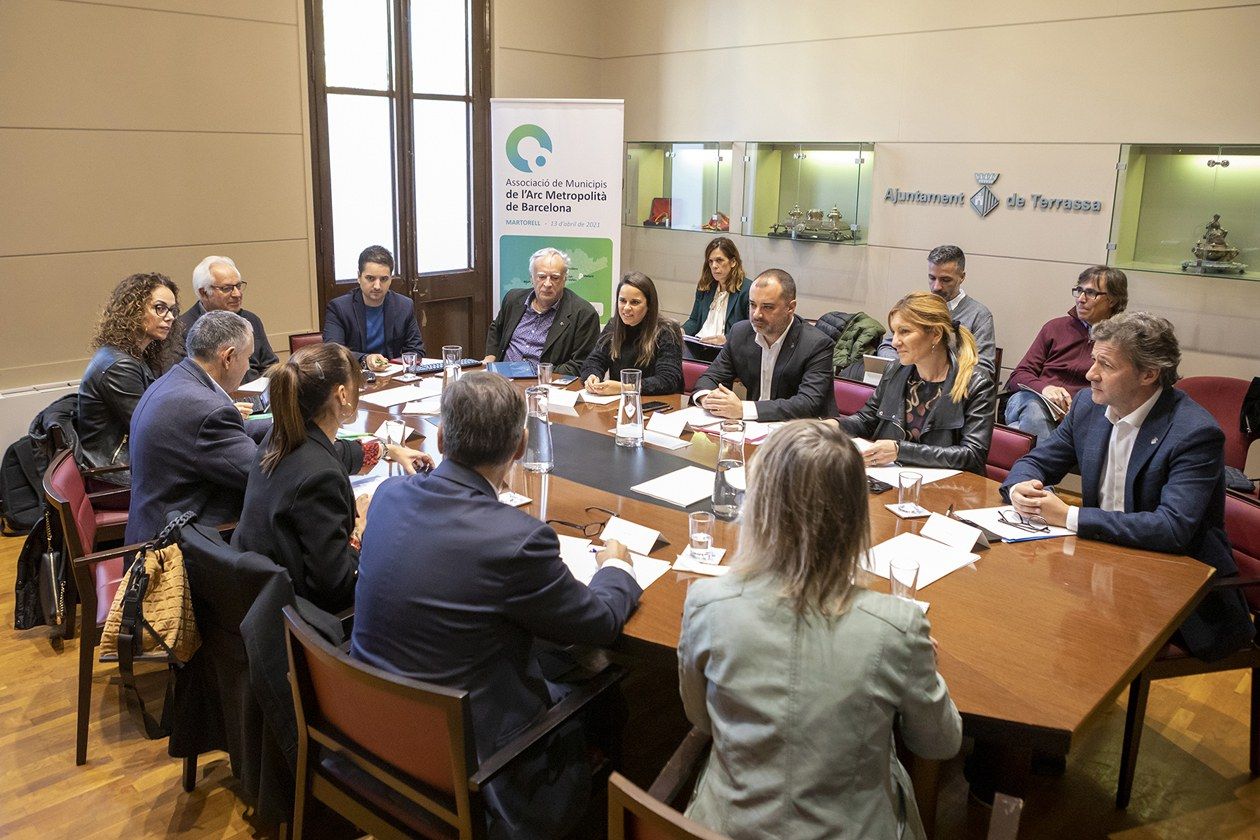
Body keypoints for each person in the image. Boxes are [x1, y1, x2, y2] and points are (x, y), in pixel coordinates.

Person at [351, 372, 642, 839]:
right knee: (606, 680)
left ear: (441, 439)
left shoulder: (387, 497)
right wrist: (616, 566)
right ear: (521, 445)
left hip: (377, 731)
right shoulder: (518, 540)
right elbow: (600, 622)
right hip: (477, 767)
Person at [679, 420, 962, 840]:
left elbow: (700, 718)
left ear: (758, 507)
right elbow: (939, 743)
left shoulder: (706, 603)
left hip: (723, 827)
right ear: (856, 516)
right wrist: (923, 664)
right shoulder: (897, 628)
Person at [1002, 312, 1254, 662]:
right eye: (1094, 360)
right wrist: (1019, 486)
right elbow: (1037, 461)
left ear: (1149, 374)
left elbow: (1172, 528)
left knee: (1064, 647)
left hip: (1175, 587)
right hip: (1102, 563)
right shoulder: (1088, 406)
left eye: (1105, 365)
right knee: (1021, 621)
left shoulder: (1194, 433)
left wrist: (1069, 516)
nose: (1090, 374)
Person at [232, 342, 430, 613]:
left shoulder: (281, 435)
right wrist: (361, 527)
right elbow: (338, 587)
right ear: (342, 395)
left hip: (259, 593)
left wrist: (388, 449)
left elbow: (336, 452)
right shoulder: (321, 476)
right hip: (303, 618)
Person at [125, 311, 268, 543]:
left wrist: (286, 424)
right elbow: (260, 473)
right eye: (248, 358)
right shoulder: (206, 409)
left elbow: (232, 432)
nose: (248, 366)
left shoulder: (176, 379)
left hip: (154, 525)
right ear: (228, 358)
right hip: (174, 549)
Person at [837, 291, 996, 474]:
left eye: (904, 332)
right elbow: (867, 419)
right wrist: (833, 425)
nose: (895, 342)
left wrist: (900, 451)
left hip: (948, 485)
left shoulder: (976, 383)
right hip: (894, 476)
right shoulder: (895, 369)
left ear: (935, 334)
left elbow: (973, 455)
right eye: (894, 332)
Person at [1004, 266, 1128, 443]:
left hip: (1081, 412)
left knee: (1017, 431)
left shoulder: (1120, 340)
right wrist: (1045, 389)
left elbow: (1117, 391)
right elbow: (1018, 376)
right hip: (1033, 399)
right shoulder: (1055, 327)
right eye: (1079, 291)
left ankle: (1034, 457)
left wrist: (1075, 407)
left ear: (1112, 300)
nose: (1081, 299)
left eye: (1091, 293)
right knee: (1033, 410)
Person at [78, 272, 182, 481]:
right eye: (160, 308)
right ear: (133, 310)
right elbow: (150, 427)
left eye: (172, 310)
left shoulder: (132, 355)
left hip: (127, 460)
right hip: (114, 472)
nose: (170, 317)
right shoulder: (120, 365)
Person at [691, 269, 835, 420]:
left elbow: (808, 404)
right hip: (755, 427)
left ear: (790, 308)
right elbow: (711, 378)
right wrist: (708, 399)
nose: (756, 314)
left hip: (804, 430)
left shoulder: (816, 345)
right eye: (753, 305)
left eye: (767, 307)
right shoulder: (740, 333)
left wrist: (743, 409)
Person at [875, 245, 997, 377]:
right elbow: (887, 347)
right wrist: (908, 368)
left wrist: (936, 372)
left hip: (952, 385)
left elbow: (983, 368)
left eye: (945, 280)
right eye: (932, 278)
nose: (936, 287)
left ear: (962, 277)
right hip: (909, 379)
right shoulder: (916, 306)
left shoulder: (979, 315)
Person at [483, 247, 600, 376]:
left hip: (545, 382)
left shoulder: (583, 314)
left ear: (565, 279)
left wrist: (538, 374)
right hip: (502, 378)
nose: (547, 284)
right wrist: (490, 358)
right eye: (542, 277)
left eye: (555, 277)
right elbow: (496, 329)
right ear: (532, 278)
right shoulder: (513, 299)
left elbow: (581, 364)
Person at [176, 255, 278, 383]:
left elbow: (270, 366)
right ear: (204, 292)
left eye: (238, 286)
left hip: (257, 391)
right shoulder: (181, 328)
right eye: (227, 288)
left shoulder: (251, 320)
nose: (237, 294)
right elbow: (188, 379)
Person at [322, 244, 425, 372]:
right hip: (356, 376)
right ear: (359, 277)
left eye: (384, 279)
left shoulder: (404, 306)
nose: (377, 286)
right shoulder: (339, 308)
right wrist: (366, 360)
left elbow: (416, 350)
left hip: (393, 374)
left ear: (391, 279)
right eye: (370, 278)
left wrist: (396, 367)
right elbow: (333, 353)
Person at [581, 271, 684, 396]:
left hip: (657, 402)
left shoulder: (667, 331)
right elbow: (594, 360)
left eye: (635, 302)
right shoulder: (613, 326)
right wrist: (592, 376)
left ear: (649, 305)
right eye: (622, 301)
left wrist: (625, 388)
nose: (626, 308)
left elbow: (668, 380)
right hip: (620, 401)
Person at [681, 236, 751, 346]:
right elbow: (694, 320)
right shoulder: (705, 286)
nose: (714, 266)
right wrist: (682, 331)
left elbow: (751, 331)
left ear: (733, 262)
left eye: (719, 260)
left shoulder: (747, 290)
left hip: (725, 349)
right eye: (710, 261)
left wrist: (727, 339)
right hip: (699, 343)